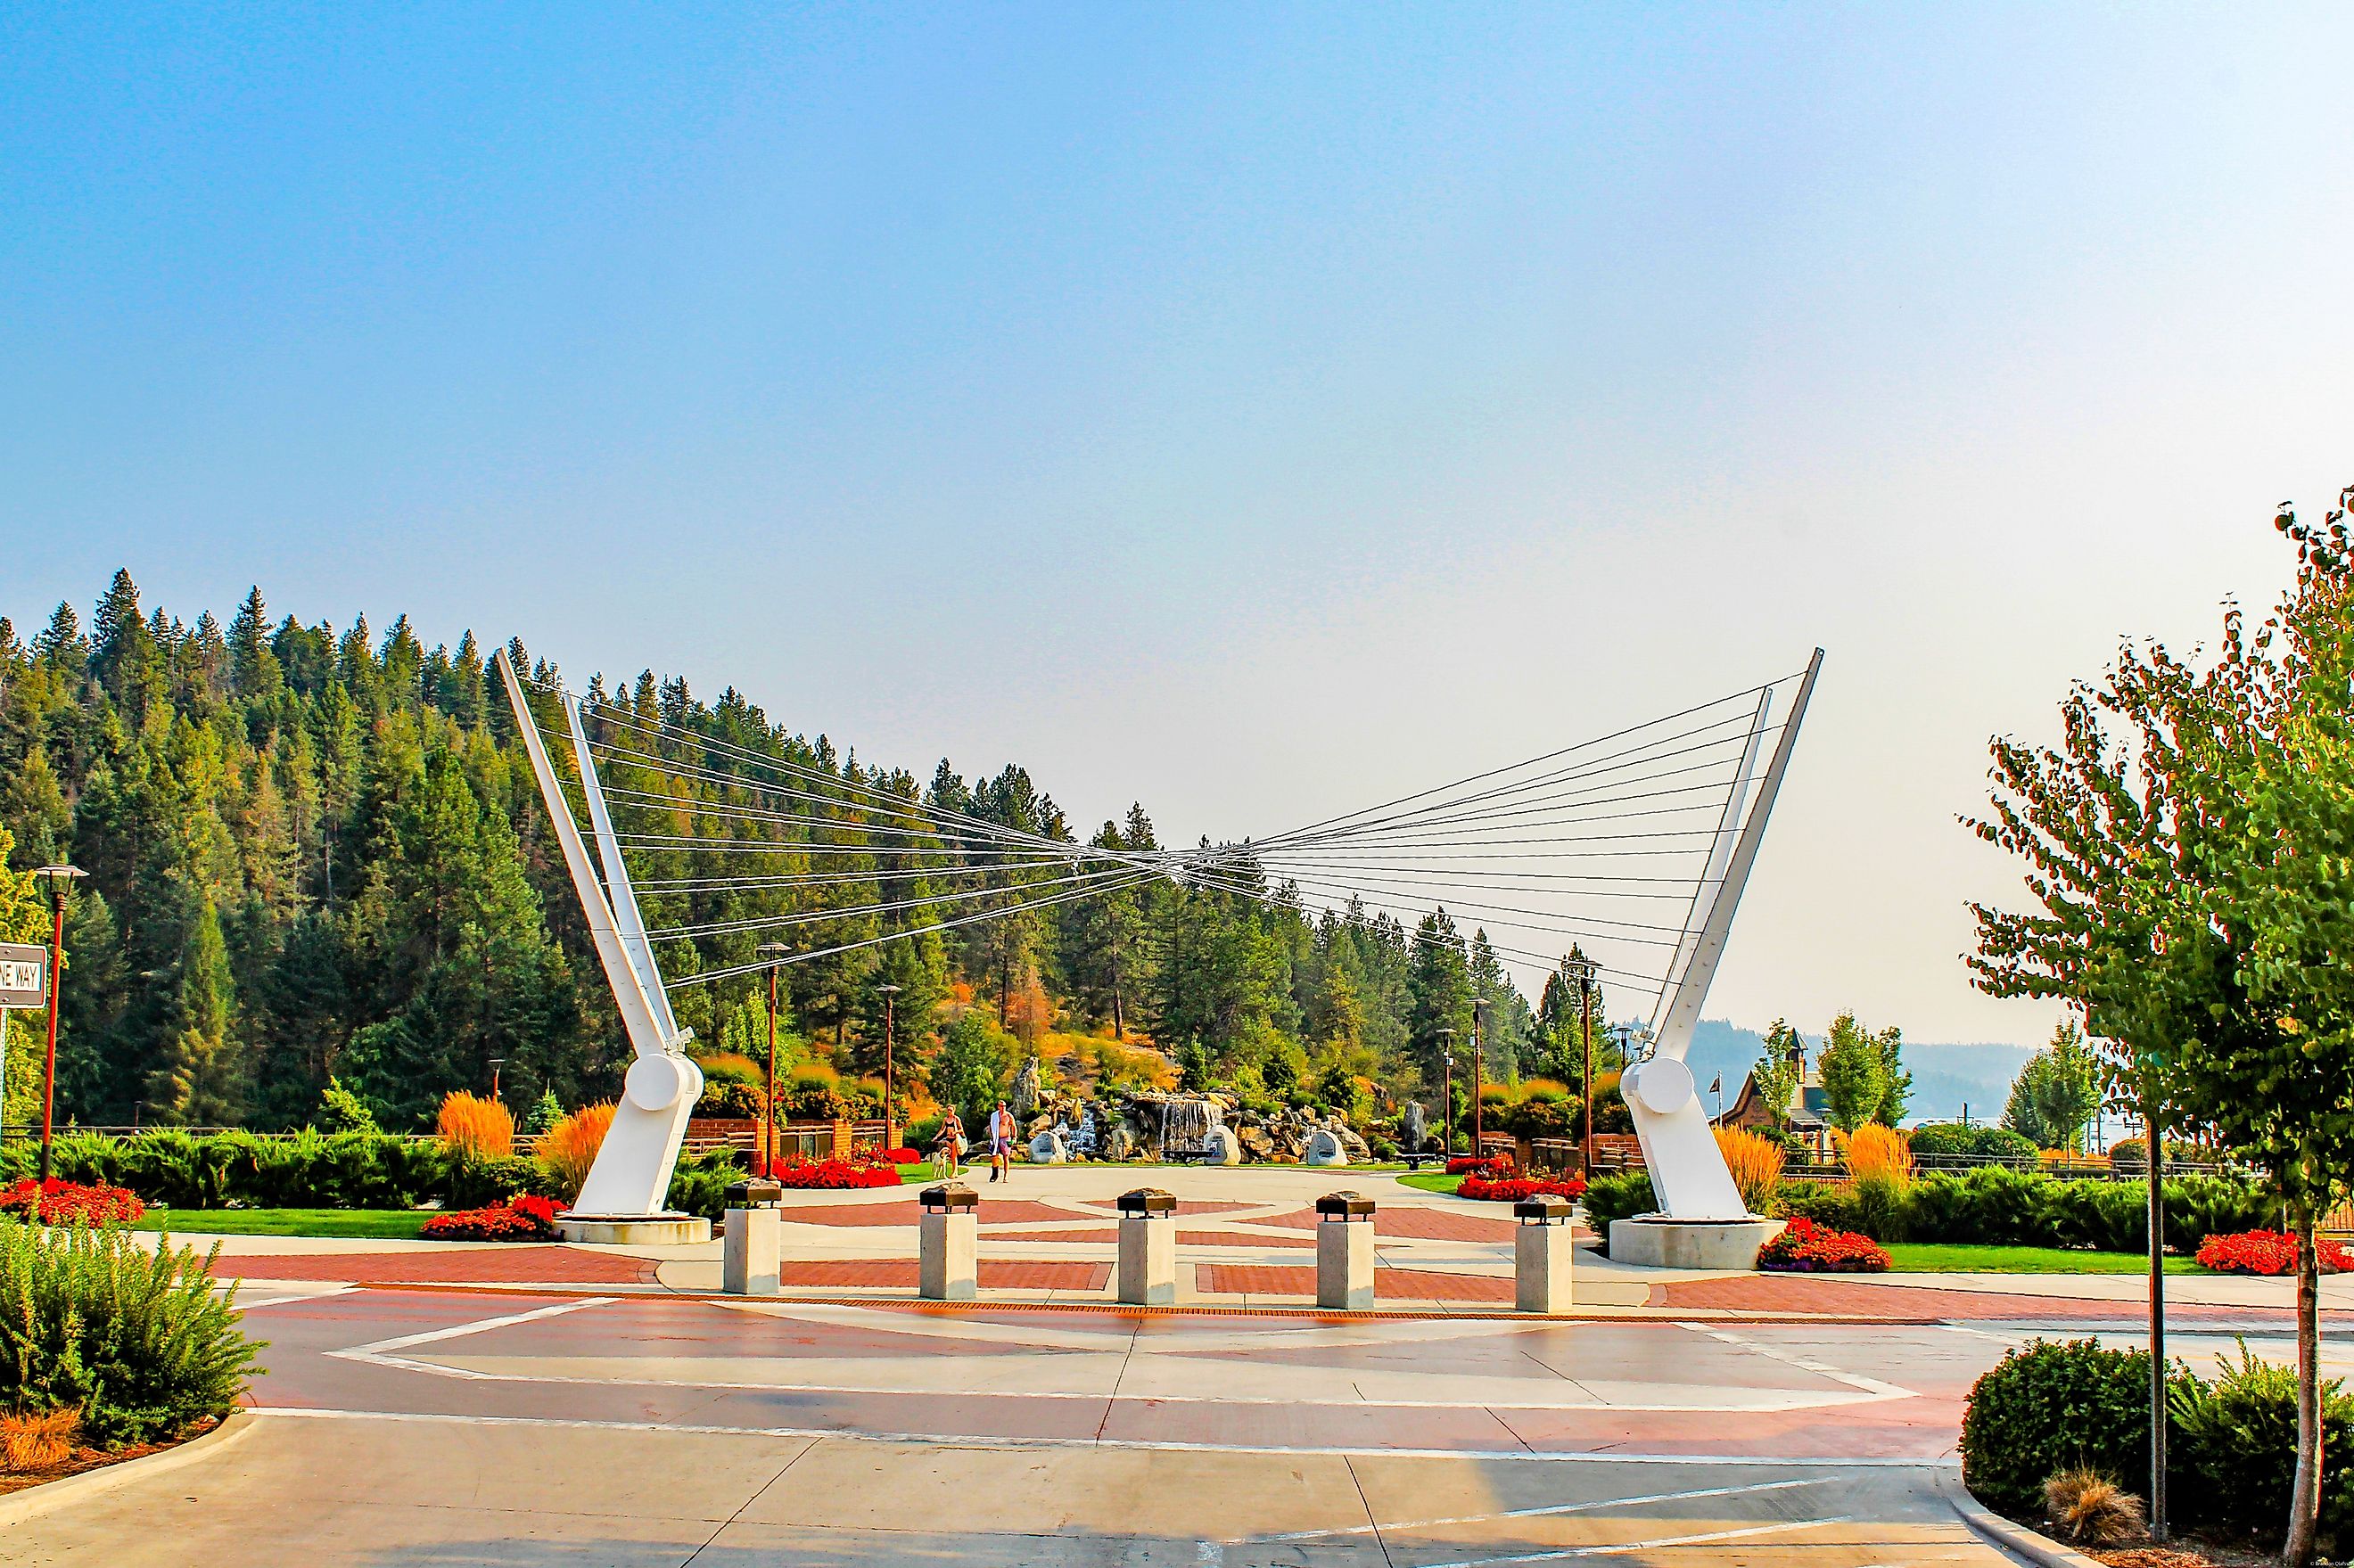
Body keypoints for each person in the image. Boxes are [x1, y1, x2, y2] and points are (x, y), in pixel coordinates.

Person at [987, 1099, 1017, 1182]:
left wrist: (1014, 1137)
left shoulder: (1008, 1116)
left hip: (1006, 1138)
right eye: (1001, 1106)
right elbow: (991, 1126)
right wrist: (991, 1136)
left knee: (1006, 1157)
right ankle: (994, 1174)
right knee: (994, 1156)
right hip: (996, 1138)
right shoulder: (994, 1116)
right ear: (998, 1107)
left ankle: (1006, 1175)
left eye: (1004, 1106)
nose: (1003, 1108)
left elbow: (1014, 1126)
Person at [934, 1106, 965, 1179]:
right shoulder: (945, 1119)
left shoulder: (956, 1119)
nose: (949, 1111)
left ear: (954, 1110)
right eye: (948, 1110)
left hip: (955, 1138)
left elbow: (961, 1129)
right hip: (948, 1139)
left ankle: (954, 1172)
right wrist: (937, 1136)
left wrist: (955, 1132)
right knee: (951, 1156)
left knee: (954, 1155)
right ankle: (955, 1172)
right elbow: (942, 1129)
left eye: (951, 1110)